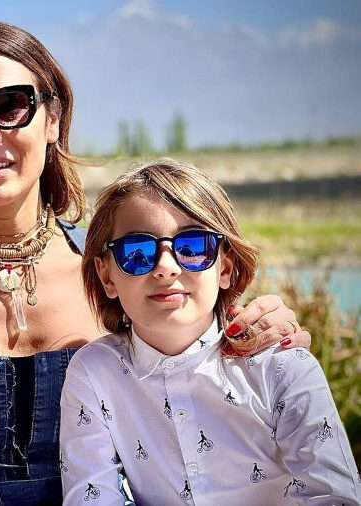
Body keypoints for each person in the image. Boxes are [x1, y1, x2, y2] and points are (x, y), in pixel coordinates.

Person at [0, 18, 311, 504]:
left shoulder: (125, 266)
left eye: (9, 106)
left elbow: (210, 391)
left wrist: (265, 331)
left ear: (53, 119)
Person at [59, 159, 360, 504]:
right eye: (137, 253)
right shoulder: (94, 374)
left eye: (193, 247)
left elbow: (334, 496)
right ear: (107, 276)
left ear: (225, 267)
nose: (166, 268)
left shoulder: (280, 366)